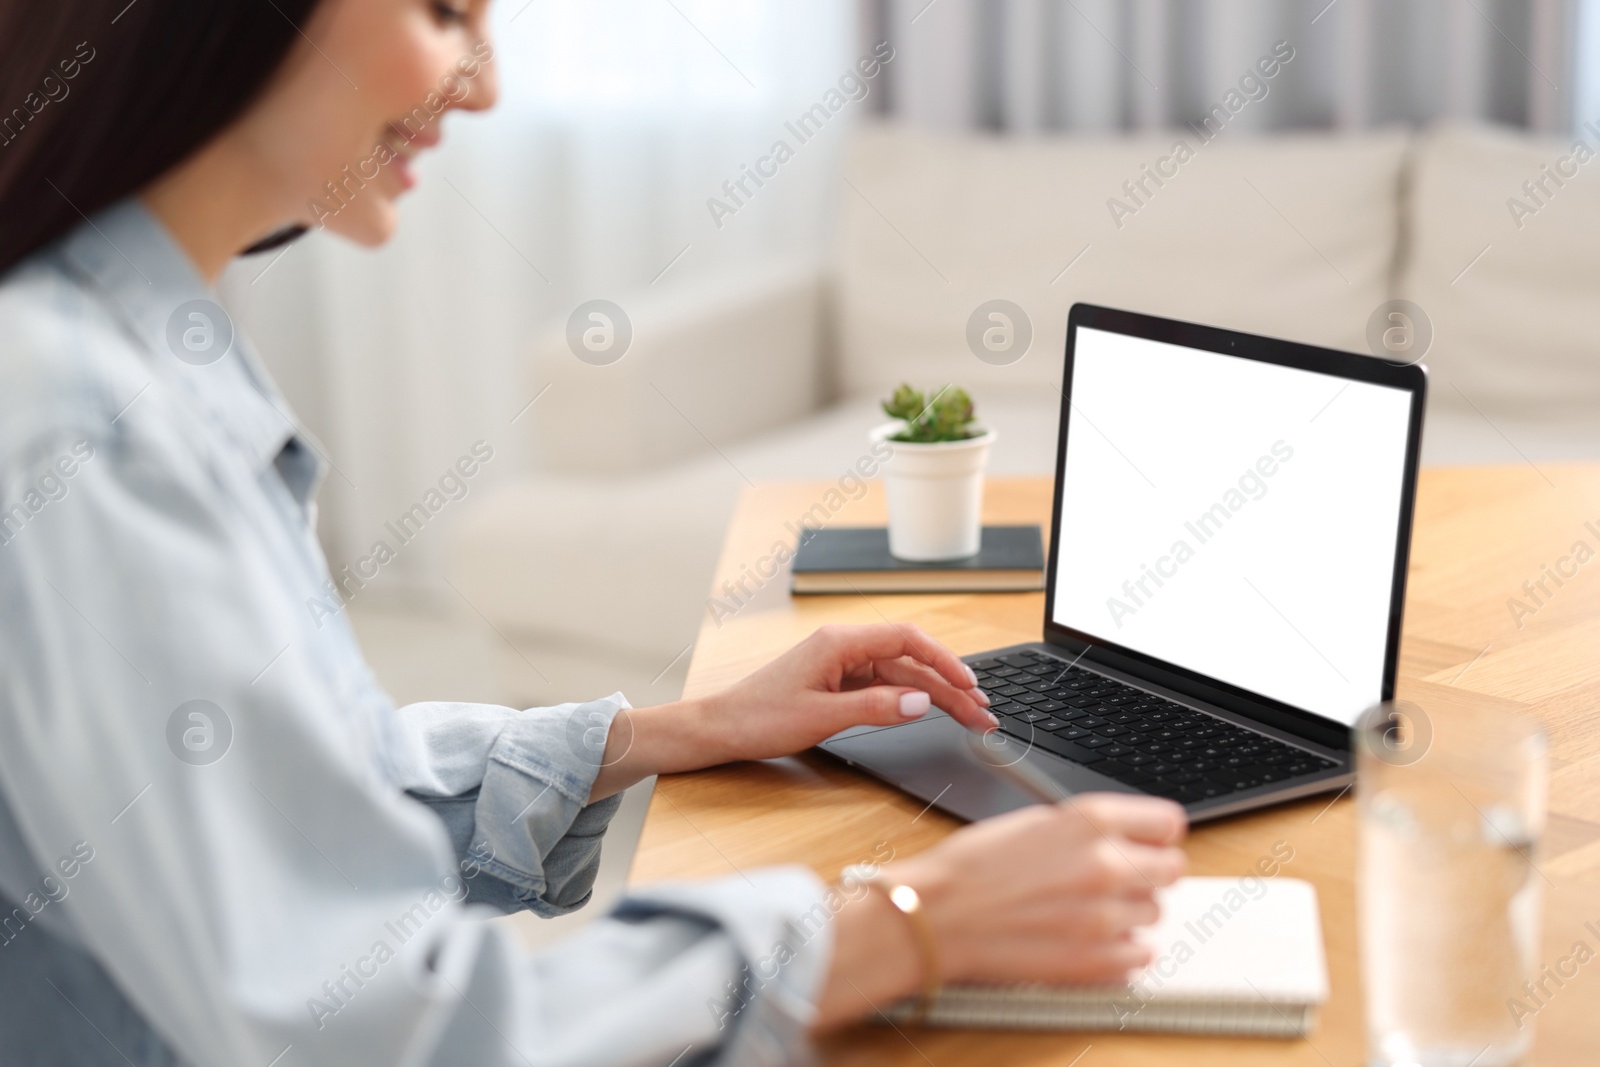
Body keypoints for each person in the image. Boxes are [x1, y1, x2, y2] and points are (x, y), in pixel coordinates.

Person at [0, 1, 1188, 1063]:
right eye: (442, 10)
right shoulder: (91, 427)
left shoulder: (124, 356)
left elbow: (296, 808)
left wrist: (672, 729)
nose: (485, 84)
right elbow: (368, 1028)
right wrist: (897, 928)